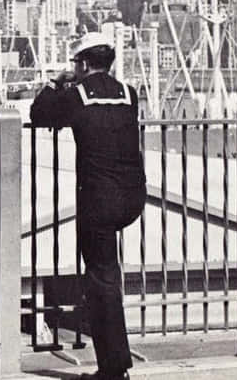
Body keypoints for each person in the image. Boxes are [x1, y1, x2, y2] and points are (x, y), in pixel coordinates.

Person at [30, 31, 146, 380]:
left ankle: (114, 368)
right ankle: (115, 363)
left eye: (75, 65)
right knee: (109, 275)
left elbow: (39, 115)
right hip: (132, 196)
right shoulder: (130, 94)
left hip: (99, 199)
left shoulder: (76, 95)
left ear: (81, 64)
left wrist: (56, 83)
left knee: (102, 281)